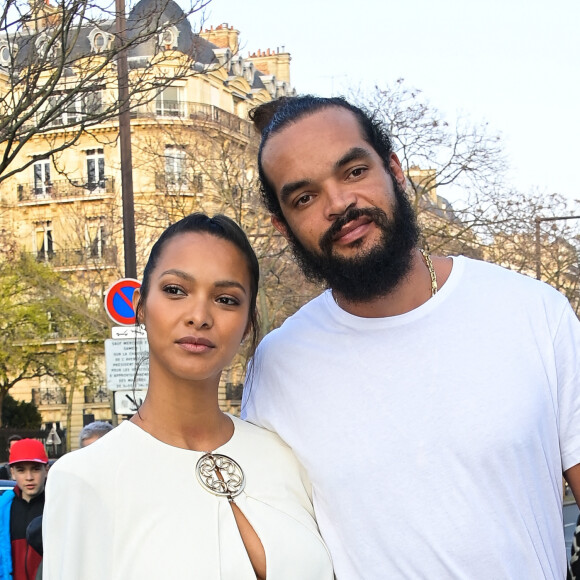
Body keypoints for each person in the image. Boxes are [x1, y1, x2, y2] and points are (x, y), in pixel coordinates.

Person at [241, 95, 580, 579]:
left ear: (394, 170)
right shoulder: (277, 365)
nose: (339, 204)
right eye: (305, 197)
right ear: (282, 227)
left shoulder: (533, 311)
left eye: (354, 172)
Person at [43, 213, 333, 580]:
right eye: (176, 290)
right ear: (140, 307)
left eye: (226, 299)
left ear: (247, 325)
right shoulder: (85, 477)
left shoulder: (287, 457)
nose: (199, 316)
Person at [0, 439, 48, 580]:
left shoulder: (56, 506)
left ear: (46, 470)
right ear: (12, 473)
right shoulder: (3, 509)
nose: (29, 477)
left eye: (35, 469)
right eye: (21, 470)